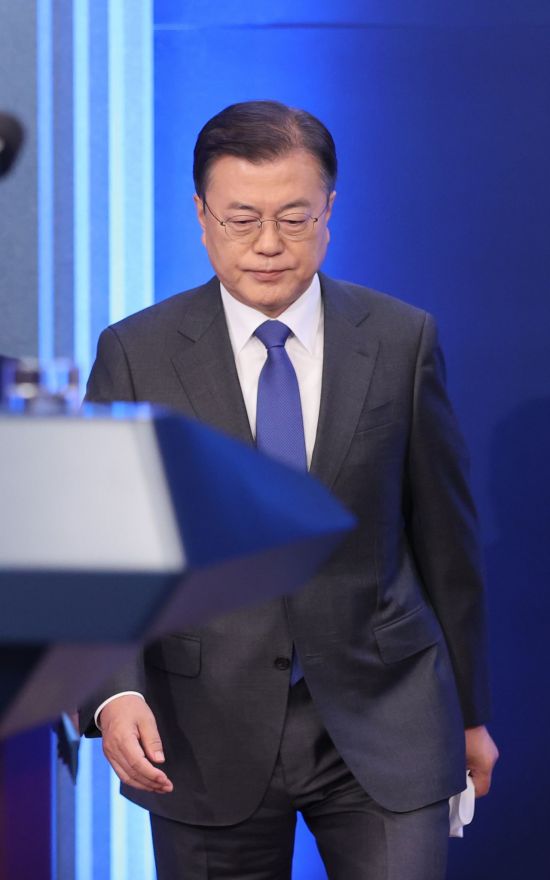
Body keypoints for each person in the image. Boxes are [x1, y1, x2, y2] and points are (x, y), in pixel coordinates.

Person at [82, 100, 498, 880]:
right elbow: (102, 548)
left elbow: (446, 541)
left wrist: (471, 714)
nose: (269, 243)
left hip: (388, 711)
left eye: (294, 218)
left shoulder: (401, 339)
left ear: (329, 211)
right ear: (201, 217)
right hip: (202, 725)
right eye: (242, 219)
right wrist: (112, 694)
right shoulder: (137, 354)